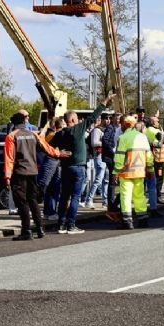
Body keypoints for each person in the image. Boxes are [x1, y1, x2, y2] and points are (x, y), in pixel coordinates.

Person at [53, 94, 115, 234]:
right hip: (78, 167)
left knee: (64, 196)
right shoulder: (78, 129)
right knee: (75, 196)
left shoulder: (60, 134)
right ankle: (71, 225)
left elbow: (47, 146)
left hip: (65, 168)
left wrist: (58, 153)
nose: (78, 120)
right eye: (76, 118)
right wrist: (105, 101)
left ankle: (61, 225)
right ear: (73, 119)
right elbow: (94, 116)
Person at [3, 111, 70, 240]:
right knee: (32, 200)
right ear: (24, 122)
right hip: (33, 172)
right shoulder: (33, 134)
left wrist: (7, 177)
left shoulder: (11, 136)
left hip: (19, 173)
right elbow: (46, 147)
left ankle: (26, 231)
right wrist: (58, 153)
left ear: (13, 123)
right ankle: (40, 229)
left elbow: (9, 159)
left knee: (22, 202)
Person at [113, 115, 153, 230]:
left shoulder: (123, 137)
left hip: (126, 173)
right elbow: (149, 155)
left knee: (125, 196)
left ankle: (127, 222)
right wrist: (150, 169)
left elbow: (119, 157)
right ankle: (143, 220)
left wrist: (115, 172)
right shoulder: (142, 137)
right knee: (139, 196)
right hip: (139, 172)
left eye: (122, 124)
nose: (120, 126)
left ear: (126, 125)